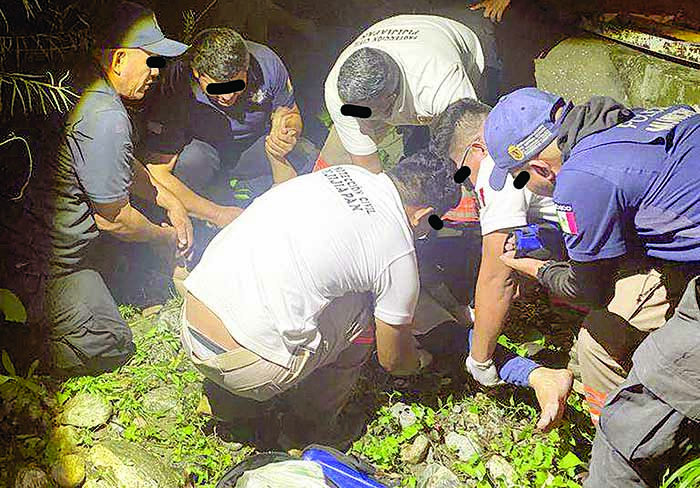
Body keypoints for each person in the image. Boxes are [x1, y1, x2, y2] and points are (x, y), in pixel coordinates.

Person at [179, 150, 568, 443]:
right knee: (366, 310)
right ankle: (310, 429)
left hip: (194, 316)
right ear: (422, 215)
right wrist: (417, 360)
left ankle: (227, 402)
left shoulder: (344, 175)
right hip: (249, 364)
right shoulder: (395, 251)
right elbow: (393, 359)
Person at [483, 87, 700, 485]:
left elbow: (592, 294)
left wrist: (535, 268)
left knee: (599, 347)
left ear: (540, 168)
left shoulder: (579, 180)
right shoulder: (630, 121)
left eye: (519, 178)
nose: (524, 187)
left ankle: (617, 449)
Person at [47, 1, 191, 376]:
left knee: (122, 263)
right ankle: (19, 340)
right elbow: (112, 219)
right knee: (111, 342)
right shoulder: (105, 116)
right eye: (151, 60)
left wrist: (169, 200)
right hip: (45, 263)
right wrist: (163, 237)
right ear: (119, 59)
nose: (157, 71)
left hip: (55, 240)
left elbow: (120, 162)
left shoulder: (81, 82)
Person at [430, 97, 573, 418]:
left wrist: (480, 358)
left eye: (461, 169)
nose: (466, 181)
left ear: (477, 149)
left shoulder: (495, 166)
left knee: (499, 255)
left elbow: (497, 277)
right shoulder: (532, 124)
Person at [140, 27, 317, 235]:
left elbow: (291, 113)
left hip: (253, 144)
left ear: (246, 68)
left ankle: (257, 193)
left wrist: (287, 131)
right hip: (205, 150)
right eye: (216, 88)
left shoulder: (266, 63)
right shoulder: (177, 83)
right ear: (197, 73)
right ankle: (202, 221)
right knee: (191, 162)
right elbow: (158, 172)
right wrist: (217, 214)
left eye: (236, 85)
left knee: (305, 155)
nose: (227, 97)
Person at [319, 14, 485, 174]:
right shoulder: (337, 91)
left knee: (452, 159)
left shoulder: (440, 82)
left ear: (391, 99)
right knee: (339, 160)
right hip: (394, 78)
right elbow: (367, 168)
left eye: (368, 113)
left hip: (456, 48)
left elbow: (470, 147)